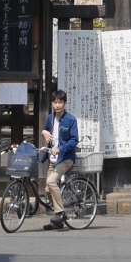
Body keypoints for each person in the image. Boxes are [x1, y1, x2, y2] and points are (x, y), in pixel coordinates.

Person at [39, 90, 79, 229]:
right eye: (55, 102)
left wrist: (60, 148)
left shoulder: (71, 119)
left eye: (60, 102)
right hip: (52, 159)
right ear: (52, 103)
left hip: (66, 159)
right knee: (48, 190)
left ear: (64, 103)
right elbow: (46, 131)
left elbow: (74, 140)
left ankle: (60, 212)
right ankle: (58, 222)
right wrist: (44, 132)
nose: (57, 105)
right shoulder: (50, 118)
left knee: (51, 181)